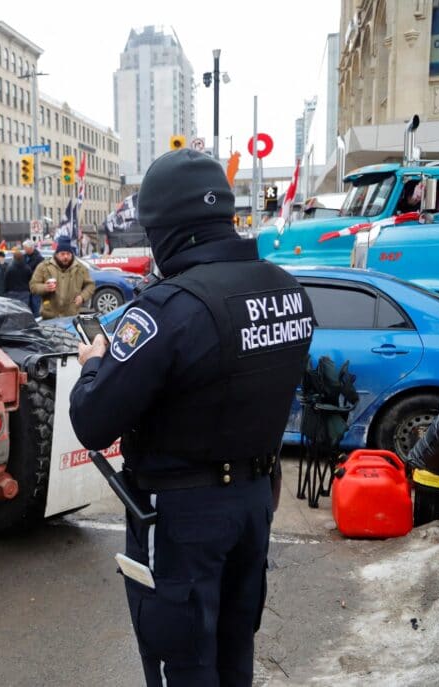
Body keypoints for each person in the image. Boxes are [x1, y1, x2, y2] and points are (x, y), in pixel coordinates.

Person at [68, 149, 314, 687]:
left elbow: (92, 421)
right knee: (233, 653)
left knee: (181, 661)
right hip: (253, 501)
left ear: (165, 228)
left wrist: (94, 365)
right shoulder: (287, 290)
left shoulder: (166, 310)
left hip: (181, 514)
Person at [29, 235, 94, 319]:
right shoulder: (44, 267)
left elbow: (90, 285)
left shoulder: (80, 269)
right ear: (56, 254)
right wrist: (45, 287)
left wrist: (82, 297)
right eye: (62, 254)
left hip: (71, 316)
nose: (65, 257)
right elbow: (33, 286)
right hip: (49, 316)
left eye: (68, 254)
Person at [22, 239, 44, 316]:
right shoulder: (23, 257)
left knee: (36, 306)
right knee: (28, 307)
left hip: (35, 286)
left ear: (31, 248)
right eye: (23, 248)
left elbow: (40, 272)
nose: (24, 250)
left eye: (25, 248)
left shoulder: (39, 258)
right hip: (25, 286)